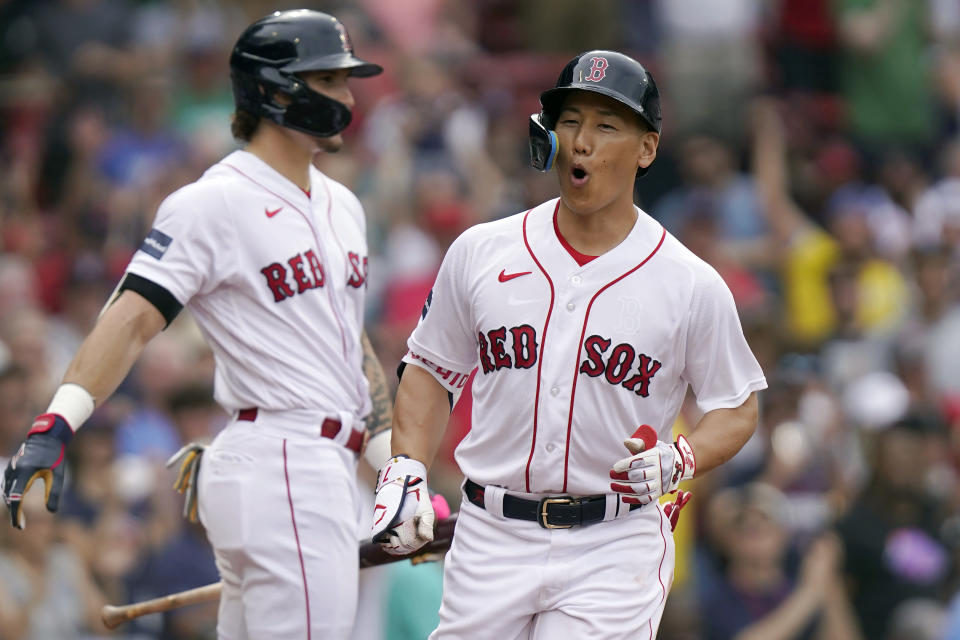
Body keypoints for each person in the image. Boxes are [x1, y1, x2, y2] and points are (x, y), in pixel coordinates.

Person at [2, 10, 395, 639]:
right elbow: (130, 318)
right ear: (274, 89)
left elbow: (351, 348)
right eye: (329, 80)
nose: (348, 97)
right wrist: (56, 424)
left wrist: (393, 469)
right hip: (282, 460)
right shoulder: (214, 200)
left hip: (315, 463)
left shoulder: (343, 204)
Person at [370, 50, 767, 638]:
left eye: (607, 126)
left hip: (614, 541)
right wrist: (405, 468)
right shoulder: (483, 251)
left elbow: (737, 407)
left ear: (646, 149)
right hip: (491, 533)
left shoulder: (690, 283)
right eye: (570, 120)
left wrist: (681, 458)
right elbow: (431, 371)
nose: (582, 141)